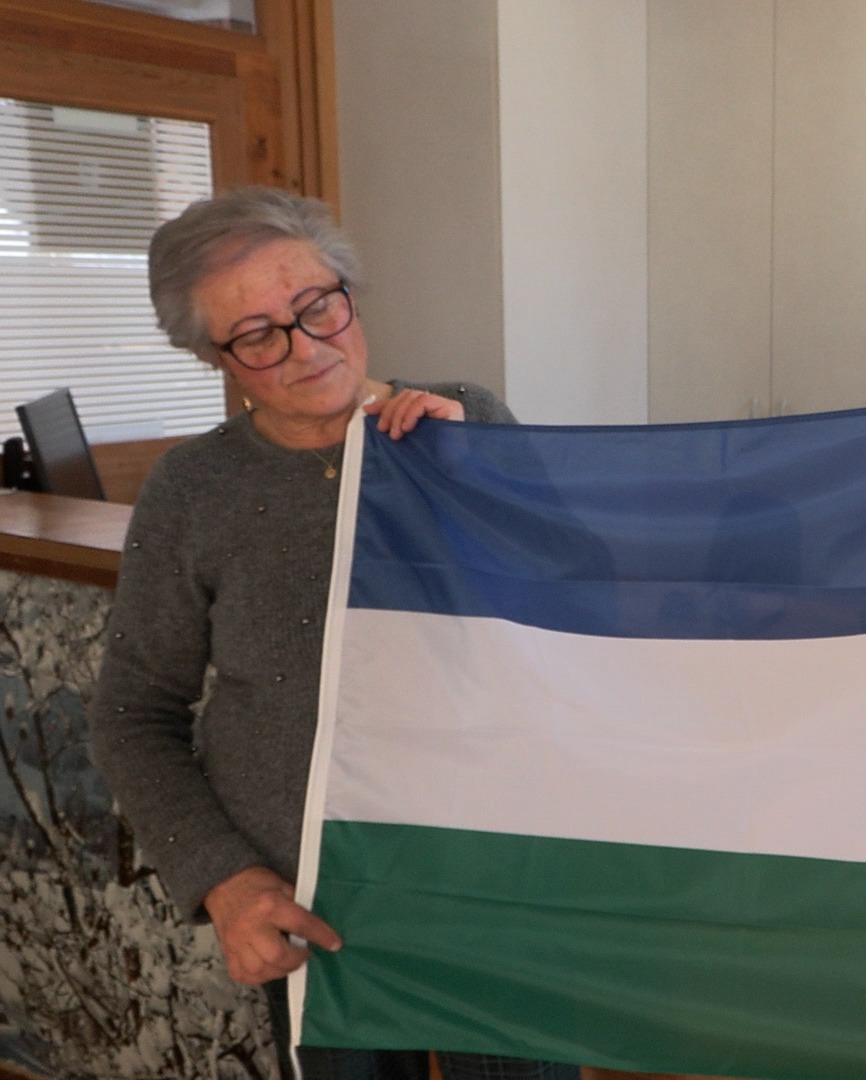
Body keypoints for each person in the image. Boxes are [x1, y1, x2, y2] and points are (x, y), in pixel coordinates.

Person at [87, 187, 580, 1080]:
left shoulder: (467, 421)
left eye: (318, 305)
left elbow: (582, 609)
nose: (307, 347)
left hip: (498, 880)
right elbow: (132, 713)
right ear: (214, 356)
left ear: (349, 289)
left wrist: (480, 473)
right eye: (259, 334)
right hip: (317, 905)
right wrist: (226, 882)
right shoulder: (194, 489)